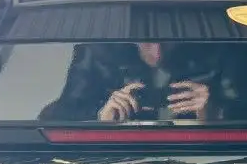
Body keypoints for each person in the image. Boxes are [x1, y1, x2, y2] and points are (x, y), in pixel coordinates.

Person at [39, 42, 221, 122]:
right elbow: (57, 117)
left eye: (167, 42)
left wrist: (214, 111)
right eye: (147, 41)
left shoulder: (217, 54)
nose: (157, 53)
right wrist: (101, 116)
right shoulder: (97, 55)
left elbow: (238, 108)